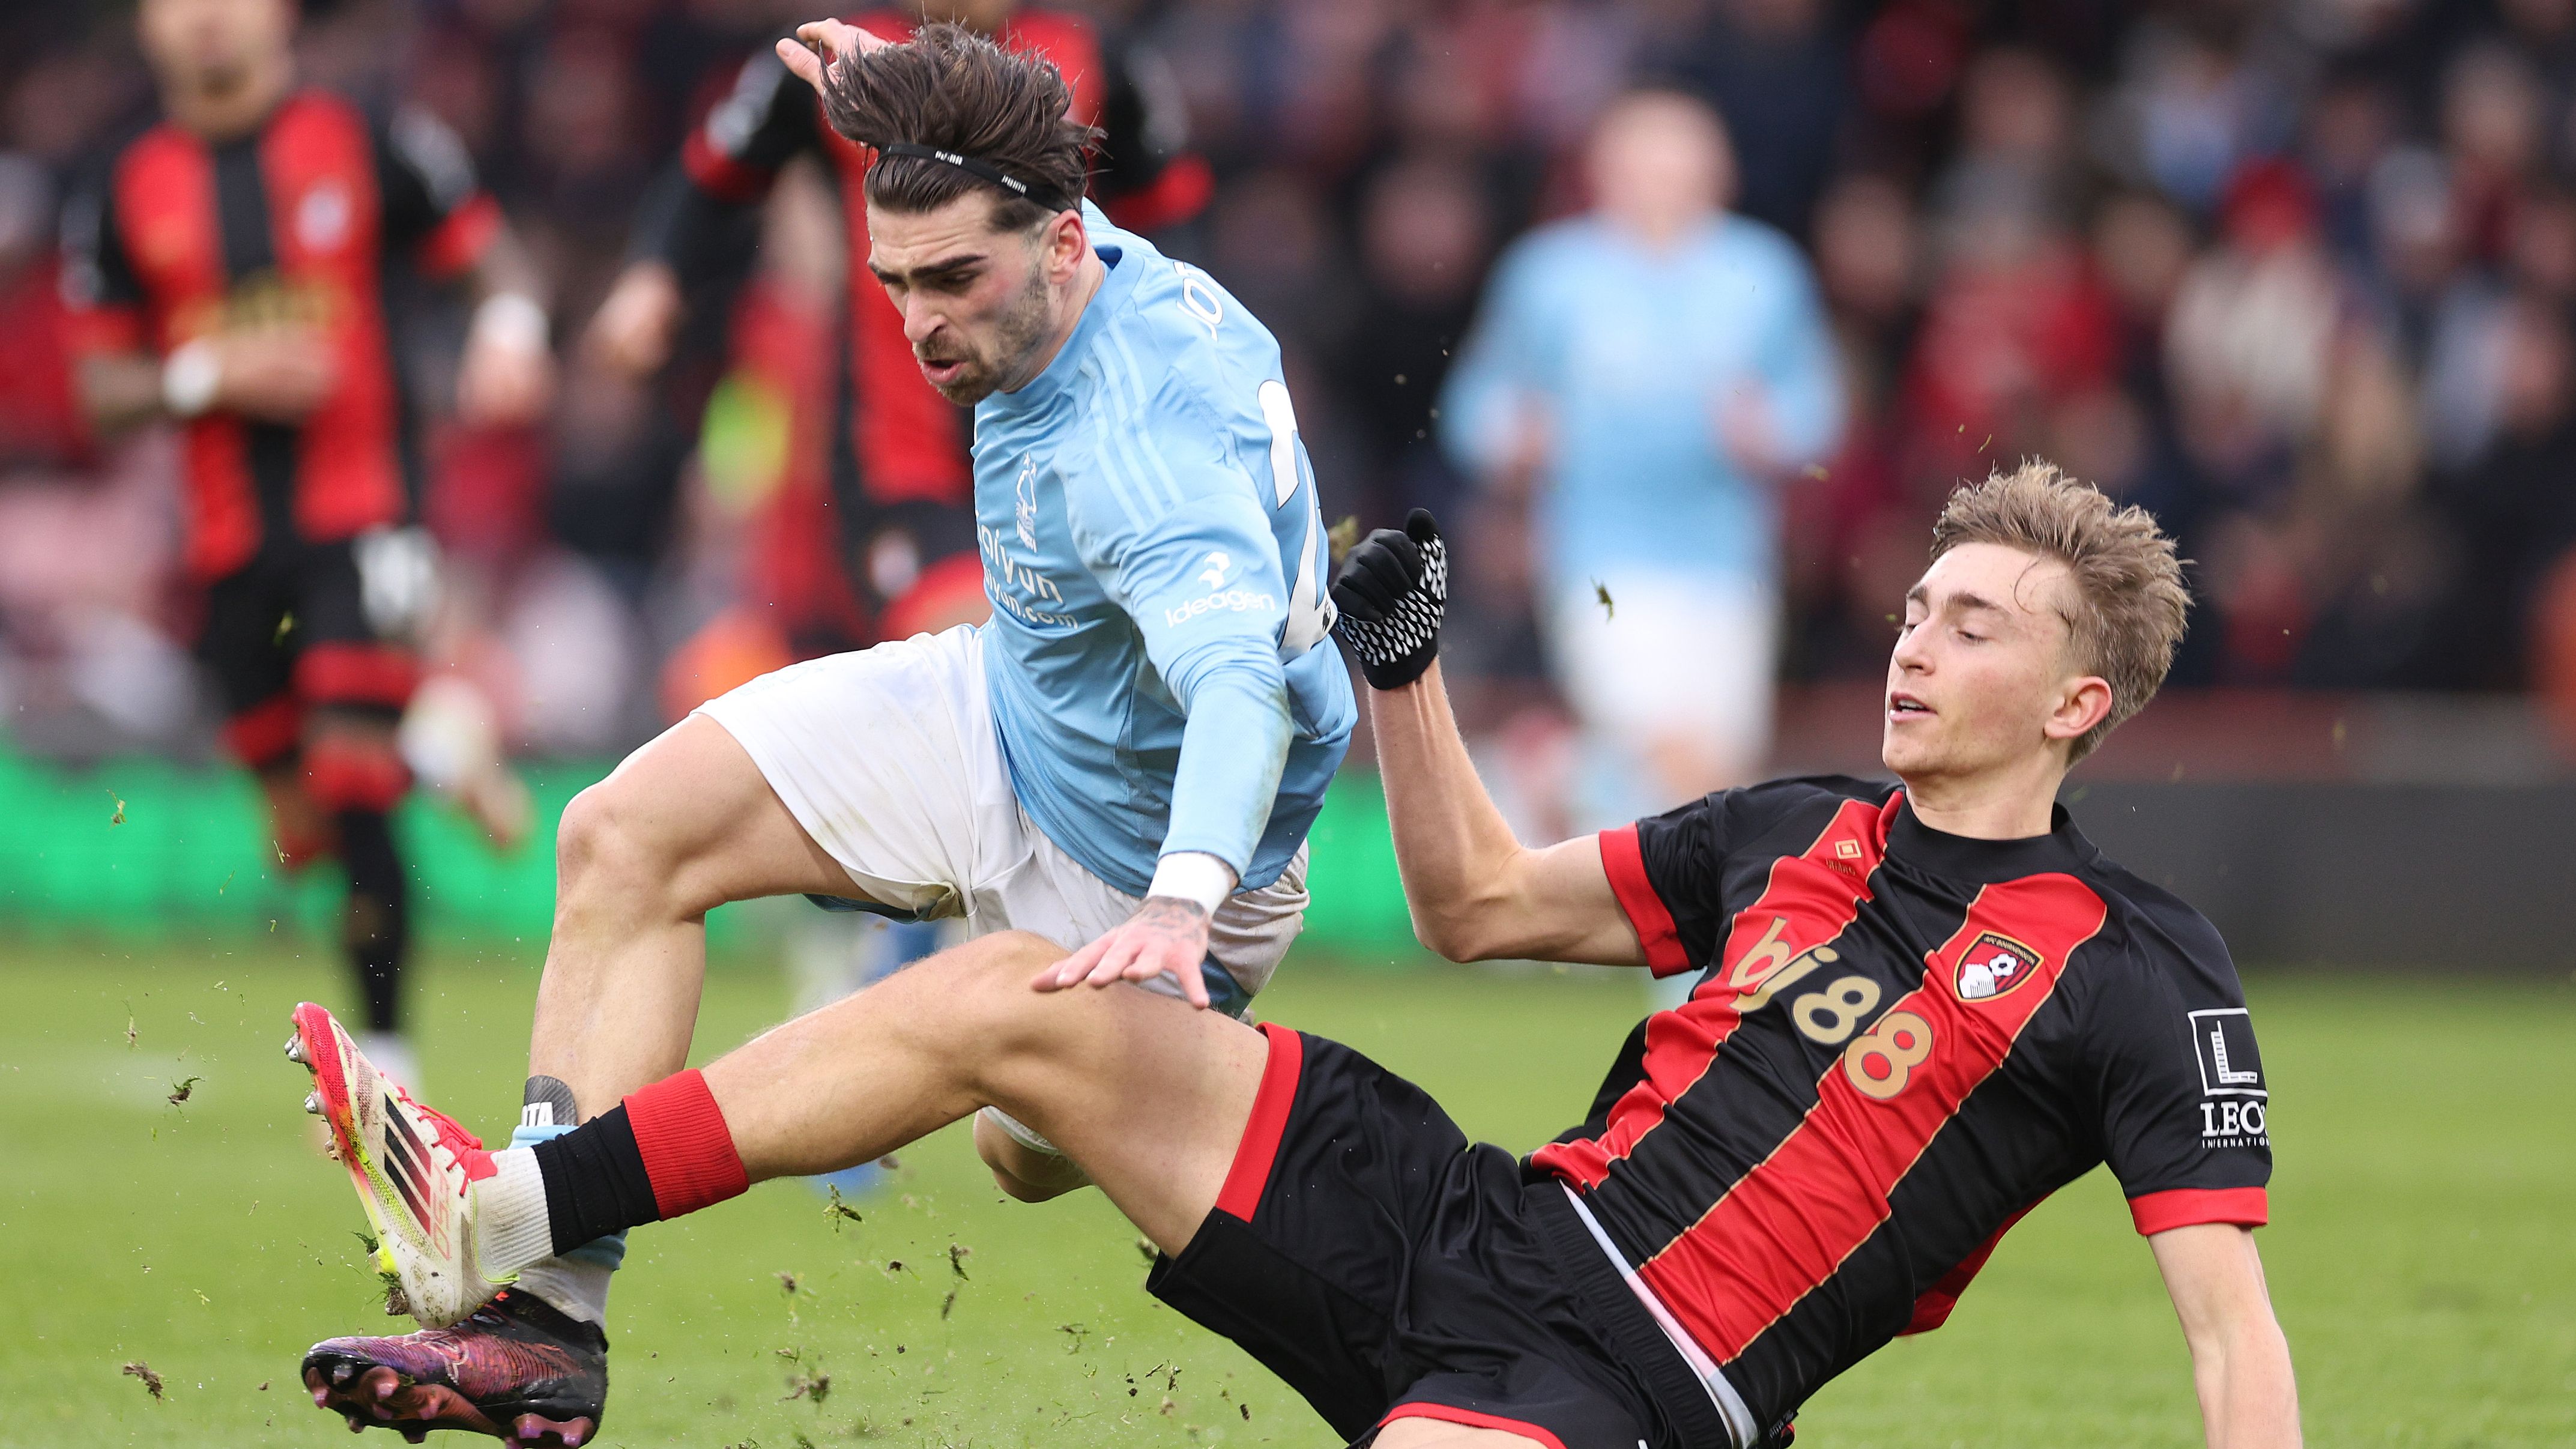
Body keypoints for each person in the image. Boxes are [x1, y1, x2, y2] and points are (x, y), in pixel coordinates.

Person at [287, 462, 2301, 1449]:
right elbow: (1481, 909)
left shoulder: (2139, 966)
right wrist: (1401, 674)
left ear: (2083, 700)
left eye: (1977, 624)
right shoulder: (1798, 829)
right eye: (1922, 603)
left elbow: (2228, 1324)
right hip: (1472, 1220)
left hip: (1639, 1383)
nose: (1918, 639)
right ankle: (510, 1229)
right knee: (1020, 1001)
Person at [286, 22, 1352, 1440]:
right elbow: (1000, 170)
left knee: (1012, 1148)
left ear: (1050, 248)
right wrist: (902, 92)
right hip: (1010, 709)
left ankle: (521, 1212)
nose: (919, 326)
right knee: (622, 832)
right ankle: (539, 1310)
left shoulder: (1139, 445)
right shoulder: (1053, 240)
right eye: (893, 283)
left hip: (1146, 874)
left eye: (952, 280)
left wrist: (1178, 901)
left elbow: (1239, 691)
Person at [60, 0, 555, 1089]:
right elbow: (96, 392)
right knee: (300, 833)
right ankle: (441, 741)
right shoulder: (123, 185)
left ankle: (387, 1065)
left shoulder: (370, 136)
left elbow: (494, 264)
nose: (207, 22)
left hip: (367, 517)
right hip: (230, 548)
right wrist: (211, 374)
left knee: (351, 777)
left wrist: (509, 336)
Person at [588, 0, 1211, 646]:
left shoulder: (1094, 58)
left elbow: (1174, 210)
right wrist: (653, 278)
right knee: (979, 648)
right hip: (903, 457)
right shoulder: (833, 56)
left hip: (1071, 445)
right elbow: (714, 177)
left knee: (1077, 662)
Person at [1441, 89, 1843, 821]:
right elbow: (1474, 409)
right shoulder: (1550, 274)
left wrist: (1767, 430)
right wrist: (1518, 434)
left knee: (1718, 758)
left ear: (1717, 172)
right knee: (1658, 741)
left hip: (1729, 553)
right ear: (1604, 171)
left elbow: (1819, 413)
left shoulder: (1763, 272)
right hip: (1600, 550)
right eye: (1645, 164)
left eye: (1682, 164)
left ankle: (1543, 784)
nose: (1663, 183)